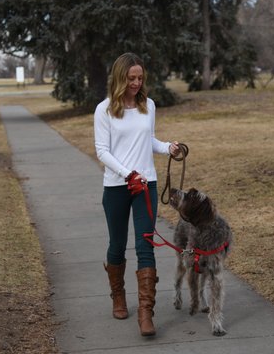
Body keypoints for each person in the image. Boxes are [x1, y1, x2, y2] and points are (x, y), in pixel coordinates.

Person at [94, 52, 181, 337]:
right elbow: (102, 151)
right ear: (120, 78)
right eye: (131, 78)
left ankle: (146, 313)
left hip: (147, 185)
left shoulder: (149, 106)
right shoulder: (104, 110)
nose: (136, 83)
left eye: (140, 78)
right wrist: (127, 173)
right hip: (118, 186)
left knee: (145, 245)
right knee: (117, 245)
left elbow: (148, 139)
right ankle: (118, 296)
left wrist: (168, 147)